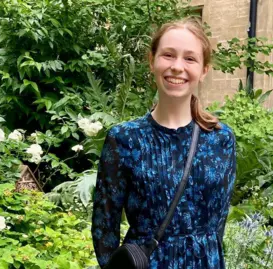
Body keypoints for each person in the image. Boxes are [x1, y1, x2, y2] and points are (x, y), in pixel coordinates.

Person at [91, 18, 236, 269]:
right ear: (152, 61)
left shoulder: (221, 140)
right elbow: (104, 227)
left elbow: (217, 224)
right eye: (168, 55)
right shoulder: (125, 139)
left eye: (190, 58)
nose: (177, 66)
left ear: (204, 70)